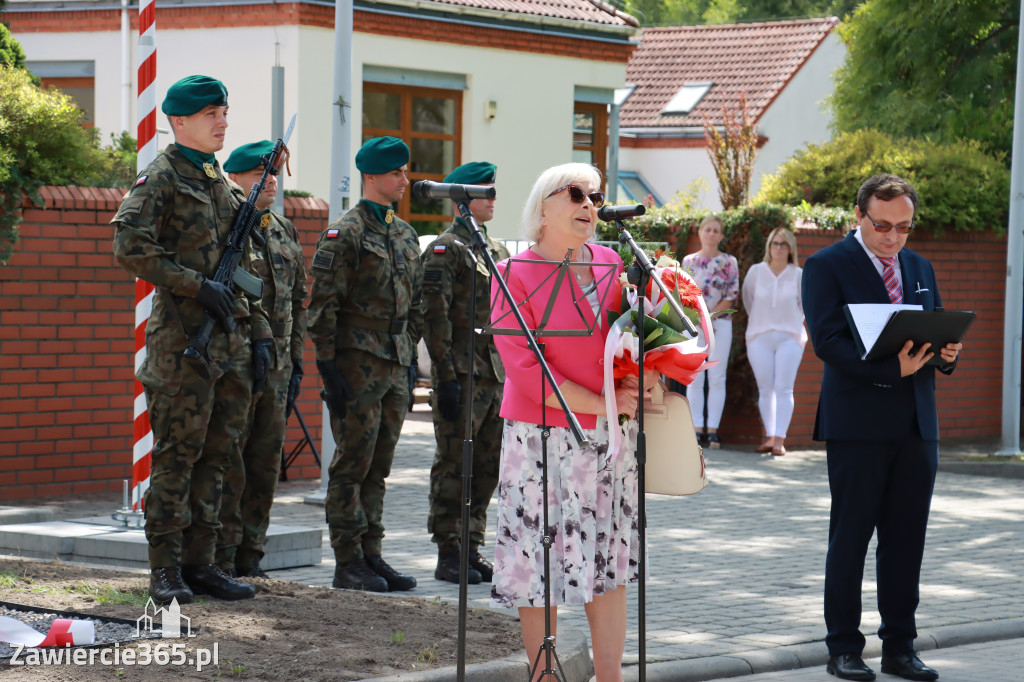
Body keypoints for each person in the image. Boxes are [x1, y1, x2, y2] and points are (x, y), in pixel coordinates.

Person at [490, 162, 649, 682]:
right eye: (577, 194)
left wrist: (645, 378)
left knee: (609, 562)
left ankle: (611, 678)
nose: (589, 205)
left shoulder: (611, 263)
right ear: (543, 205)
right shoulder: (514, 272)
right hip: (538, 437)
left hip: (608, 438)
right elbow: (524, 368)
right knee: (540, 565)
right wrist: (602, 402)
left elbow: (631, 345)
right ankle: (545, 677)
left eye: (597, 197)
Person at [111, 75, 266, 604]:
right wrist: (194, 285)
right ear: (180, 122)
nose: (223, 121)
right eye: (210, 114)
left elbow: (244, 263)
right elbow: (129, 246)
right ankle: (164, 570)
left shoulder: (221, 183)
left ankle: (203, 563)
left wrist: (260, 334)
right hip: (183, 347)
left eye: (224, 111)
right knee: (178, 458)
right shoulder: (162, 178)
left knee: (218, 456)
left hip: (227, 344)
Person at [802, 174, 961, 682]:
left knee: (906, 540)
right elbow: (827, 341)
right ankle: (844, 648)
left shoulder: (919, 266)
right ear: (859, 216)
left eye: (904, 228)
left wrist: (947, 354)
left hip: (917, 424)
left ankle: (900, 648)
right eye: (883, 225)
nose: (894, 238)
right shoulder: (826, 265)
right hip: (858, 425)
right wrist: (893, 370)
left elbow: (930, 331)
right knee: (850, 539)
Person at [307, 136, 423, 593]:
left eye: (405, 171)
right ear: (371, 176)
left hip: (394, 363)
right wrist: (329, 367)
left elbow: (415, 304)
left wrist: (409, 352)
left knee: (380, 465)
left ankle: (372, 554)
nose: (404, 180)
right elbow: (323, 307)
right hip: (357, 364)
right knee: (352, 464)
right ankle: (347, 559)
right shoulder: (347, 232)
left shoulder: (404, 232)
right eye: (396, 172)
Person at [215, 140, 309, 578]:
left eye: (272, 174)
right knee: (230, 461)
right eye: (259, 175)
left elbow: (299, 300)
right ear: (235, 179)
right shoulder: (231, 225)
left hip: (277, 365)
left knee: (266, 463)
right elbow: (233, 285)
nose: (269, 181)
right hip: (238, 361)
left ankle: (251, 555)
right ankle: (222, 555)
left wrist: (296, 361)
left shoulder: (283, 230)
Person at [420, 161, 509, 585]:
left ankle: (471, 545)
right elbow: (432, 315)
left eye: (493, 191)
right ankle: (448, 550)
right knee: (456, 462)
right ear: (461, 199)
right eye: (485, 191)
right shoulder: (446, 249)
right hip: (462, 372)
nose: (493, 199)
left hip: (494, 375)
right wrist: (445, 374)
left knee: (488, 465)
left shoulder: (497, 251)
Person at [742, 227, 807, 457]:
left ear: (790, 249)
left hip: (790, 337)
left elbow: (804, 306)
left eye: (783, 244)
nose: (778, 248)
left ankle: (780, 439)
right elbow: (748, 300)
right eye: (775, 243)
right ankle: (769, 436)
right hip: (759, 336)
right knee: (765, 389)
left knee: (784, 388)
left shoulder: (799, 274)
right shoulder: (756, 272)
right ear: (769, 247)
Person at [682, 215, 739, 448]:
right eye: (708, 229)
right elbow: (683, 293)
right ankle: (695, 428)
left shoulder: (729, 262)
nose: (712, 234)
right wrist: (700, 318)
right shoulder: (689, 261)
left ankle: (712, 429)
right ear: (700, 233)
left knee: (717, 377)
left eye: (716, 230)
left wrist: (711, 316)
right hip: (694, 324)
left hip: (720, 324)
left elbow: (731, 294)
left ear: (721, 235)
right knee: (694, 376)